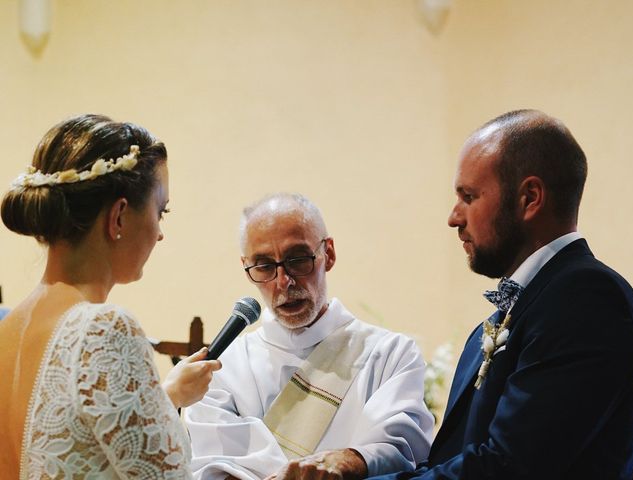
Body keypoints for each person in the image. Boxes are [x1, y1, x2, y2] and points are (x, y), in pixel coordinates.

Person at [370, 109, 633, 480]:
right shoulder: (520, 308)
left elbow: (508, 468)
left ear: (530, 198)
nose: (454, 217)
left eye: (469, 196)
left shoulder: (589, 299)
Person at [0, 114, 220, 478]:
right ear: (118, 216)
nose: (160, 233)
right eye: (159, 211)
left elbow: (67, 437)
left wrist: (164, 397)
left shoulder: (8, 330)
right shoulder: (104, 328)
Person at [185, 193, 434, 480]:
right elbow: (211, 467)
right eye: (265, 265)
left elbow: (400, 448)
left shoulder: (391, 354)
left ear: (328, 253)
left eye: (298, 259)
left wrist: (346, 461)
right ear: (246, 267)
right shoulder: (222, 369)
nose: (284, 281)